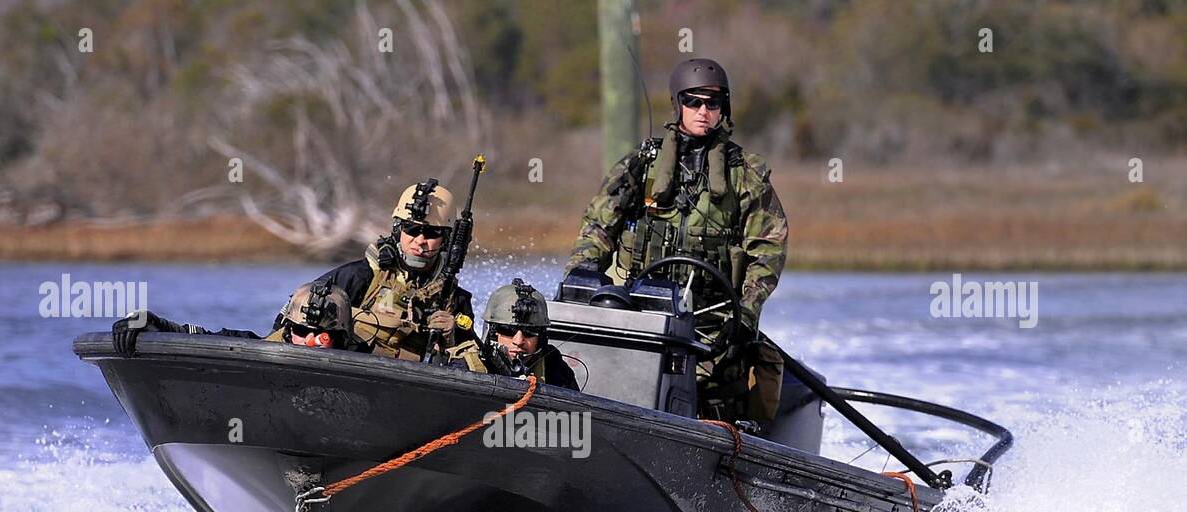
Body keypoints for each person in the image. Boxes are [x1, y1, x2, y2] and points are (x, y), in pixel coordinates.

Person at [563, 57, 788, 423]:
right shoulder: (641, 164)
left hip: (713, 327)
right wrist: (580, 280)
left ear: (723, 108)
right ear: (678, 104)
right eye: (693, 101)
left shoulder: (745, 175)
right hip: (641, 315)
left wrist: (744, 316)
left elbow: (768, 250)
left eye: (712, 103)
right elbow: (598, 229)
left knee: (717, 399)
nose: (703, 111)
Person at [112, 179, 474, 358]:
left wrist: (451, 337)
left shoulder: (454, 300)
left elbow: (476, 370)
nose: (420, 240)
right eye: (412, 230)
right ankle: (164, 326)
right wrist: (164, 331)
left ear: (445, 238)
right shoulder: (358, 277)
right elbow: (278, 335)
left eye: (431, 233)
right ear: (398, 230)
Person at [446, 278, 579, 389]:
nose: (518, 340)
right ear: (492, 333)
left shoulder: (553, 367)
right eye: (507, 331)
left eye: (529, 332)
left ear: (541, 338)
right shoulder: (466, 366)